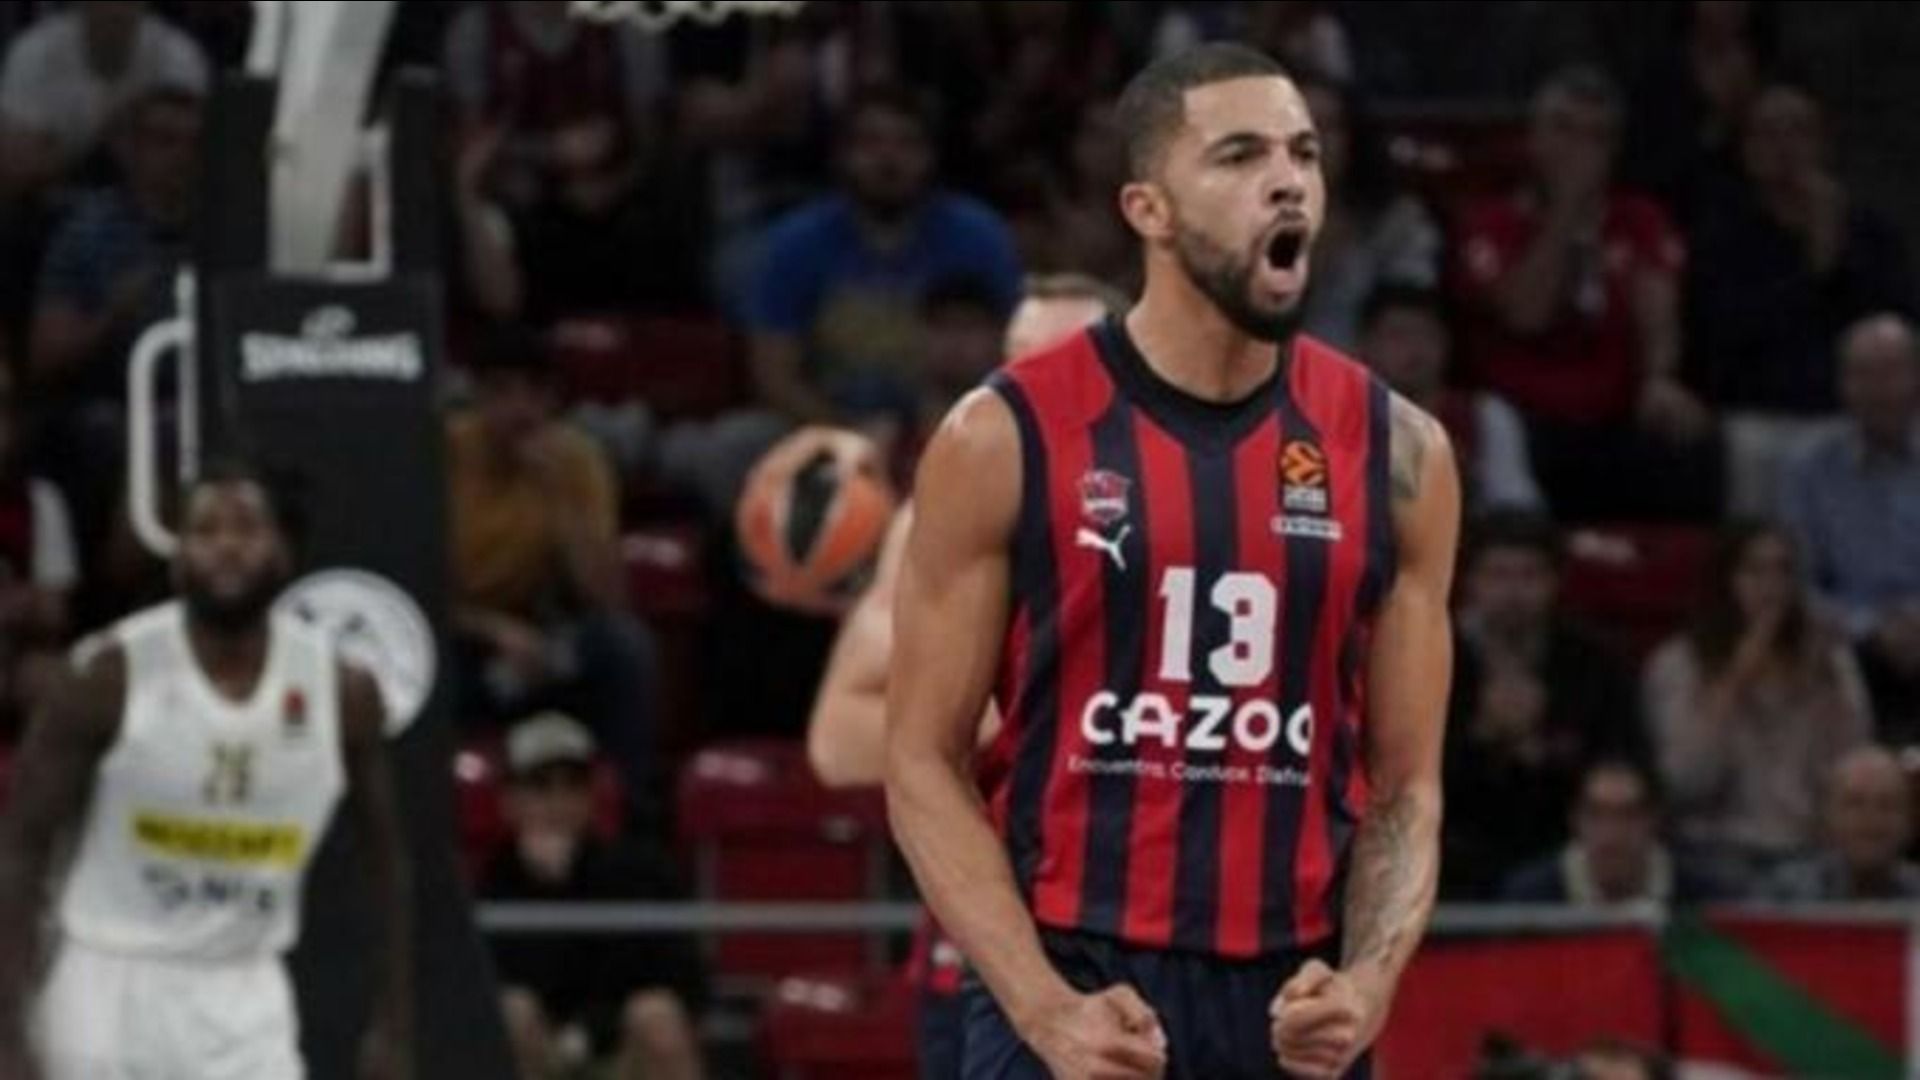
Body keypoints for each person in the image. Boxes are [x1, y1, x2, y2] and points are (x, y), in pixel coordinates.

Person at [887, 44, 1458, 1079]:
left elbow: (1408, 786)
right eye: (1240, 155)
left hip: (1292, 995)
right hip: (1073, 974)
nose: (1287, 180)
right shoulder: (1003, 435)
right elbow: (922, 761)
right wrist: (1043, 1009)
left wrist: (1369, 984)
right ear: (1147, 209)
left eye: (1304, 154)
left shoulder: (1401, 454)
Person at [803, 275, 1120, 1080]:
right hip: (991, 950)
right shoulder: (945, 515)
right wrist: (1029, 726)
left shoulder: (1214, 506)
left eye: (1062, 362)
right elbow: (839, 739)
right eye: (1018, 361)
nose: (1032, 385)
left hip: (1177, 936)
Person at [0, 461, 412, 1079]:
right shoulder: (107, 676)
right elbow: (20, 848)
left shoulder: (341, 693)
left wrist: (394, 1025)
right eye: (205, 530)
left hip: (246, 988)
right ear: (177, 560)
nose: (226, 546)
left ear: (283, 553)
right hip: (107, 980)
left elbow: (386, 862)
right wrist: (8, 1030)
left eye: (245, 527)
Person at [1453, 65, 1716, 521]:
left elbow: (1658, 310)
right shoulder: (1491, 222)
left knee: (1691, 443)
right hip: (1522, 418)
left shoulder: (1640, 220)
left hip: (1614, 416)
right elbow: (1527, 315)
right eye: (1564, 129)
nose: (1579, 149)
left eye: (1597, 136)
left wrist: (1659, 377)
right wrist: (1567, 210)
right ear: (1534, 137)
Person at [447, 327, 660, 824]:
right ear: (476, 397)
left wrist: (559, 495)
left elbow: (607, 597)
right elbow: (414, 591)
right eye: (501, 392)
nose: (519, 409)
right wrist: (495, 631)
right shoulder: (443, 454)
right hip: (462, 633)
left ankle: (632, 821)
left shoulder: (577, 460)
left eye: (533, 393)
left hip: (546, 634)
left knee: (622, 647)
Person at [1688, 84, 1916, 514]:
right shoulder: (1724, 237)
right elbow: (1728, 338)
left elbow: (1893, 324)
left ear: (1823, 142)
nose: (1785, 147)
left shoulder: (1871, 234)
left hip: (1858, 412)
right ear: (1746, 150)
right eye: (1768, 133)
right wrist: (1814, 267)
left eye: (1798, 130)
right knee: (1750, 446)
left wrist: (1831, 248)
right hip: (1762, 414)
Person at [744, 87, 1024, 427]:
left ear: (931, 156)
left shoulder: (979, 237)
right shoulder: (797, 243)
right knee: (739, 438)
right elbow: (775, 374)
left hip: (952, 427)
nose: (888, 159)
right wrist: (849, 436)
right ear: (842, 155)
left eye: (907, 143)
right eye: (870, 143)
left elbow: (1013, 359)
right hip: (824, 425)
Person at [1645, 520, 1874, 889]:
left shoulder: (1832, 662)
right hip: (1711, 854)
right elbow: (1685, 784)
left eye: (1783, 570)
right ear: (1725, 580)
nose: (1771, 585)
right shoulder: (1678, 663)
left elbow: (1855, 775)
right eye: (1754, 570)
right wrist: (1734, 681)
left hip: (1810, 853)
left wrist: (1827, 688)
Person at [483, 712, 706, 1080]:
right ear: (509, 801)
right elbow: (495, 984)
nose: (558, 803)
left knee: (657, 1016)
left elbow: (684, 980)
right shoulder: (493, 886)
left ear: (590, 797)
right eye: (541, 786)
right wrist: (547, 889)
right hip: (539, 1057)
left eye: (573, 785)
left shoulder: (636, 872)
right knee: (511, 1013)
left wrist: (589, 1034)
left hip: (617, 1053)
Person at [1442, 508, 1646, 899]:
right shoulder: (1432, 659)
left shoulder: (1593, 662)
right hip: (1455, 848)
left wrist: (1541, 749)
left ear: (1555, 583)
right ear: (1470, 581)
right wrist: (1484, 737)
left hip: (1565, 848)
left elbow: (1622, 763)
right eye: (1498, 575)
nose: (1513, 592)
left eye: (1529, 575)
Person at [1779, 314, 1920, 744]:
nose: (1879, 390)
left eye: (1891, 373)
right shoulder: (1808, 467)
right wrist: (1871, 627)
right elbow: (1797, 578)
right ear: (1843, 385)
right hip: (1848, 644)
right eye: (1863, 375)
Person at [1356, 283, 1543, 512]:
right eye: (1398, 335)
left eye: (1427, 335)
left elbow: (1514, 501)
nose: (1415, 348)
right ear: (1364, 345)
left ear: (1447, 345)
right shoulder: (1337, 416)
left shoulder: (1484, 415)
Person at [0, 1, 209, 200]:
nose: (115, 11)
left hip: (149, 205)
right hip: (48, 203)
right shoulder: (34, 52)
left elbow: (189, 151)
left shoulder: (178, 55)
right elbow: (13, 160)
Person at [1295, 75, 1441, 352]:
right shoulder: (1236, 226)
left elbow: (1412, 321)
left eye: (1329, 127)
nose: (1315, 141)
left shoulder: (1398, 224)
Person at [1499, 759, 1722, 906]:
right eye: (1596, 815)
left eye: (1628, 815)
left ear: (1653, 820)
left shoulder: (1707, 899)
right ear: (1575, 819)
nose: (1611, 833)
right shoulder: (1527, 900)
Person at [0, 363, 79, 740]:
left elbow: (54, 611)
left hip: (13, 659)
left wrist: (24, 606)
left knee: (59, 681)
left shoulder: (39, 501)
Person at [1761, 744, 1920, 902]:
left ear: (1909, 819)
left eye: (1886, 805)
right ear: (1829, 815)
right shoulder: (1783, 894)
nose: (1870, 818)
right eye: (1855, 803)